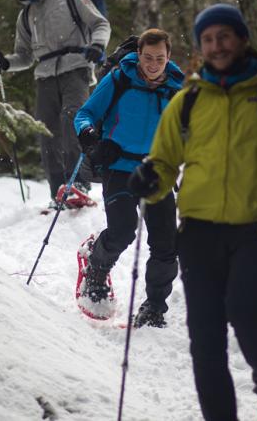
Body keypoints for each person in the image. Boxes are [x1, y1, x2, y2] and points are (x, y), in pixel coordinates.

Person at [128, 5, 257, 420]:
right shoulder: (188, 102)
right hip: (198, 233)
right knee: (205, 339)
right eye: (208, 39)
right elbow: (163, 163)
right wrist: (149, 178)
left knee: (245, 309)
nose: (217, 45)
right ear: (200, 46)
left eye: (224, 36)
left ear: (241, 39)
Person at [73, 28, 184, 326]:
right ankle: (94, 272)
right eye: (148, 57)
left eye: (159, 58)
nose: (152, 63)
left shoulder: (177, 89)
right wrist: (92, 139)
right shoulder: (120, 79)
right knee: (122, 230)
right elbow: (84, 115)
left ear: (168, 57)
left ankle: (154, 308)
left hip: (156, 170)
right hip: (118, 166)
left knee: (165, 243)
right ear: (139, 55)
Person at [0, 0, 111, 205]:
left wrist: (97, 45)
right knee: (46, 133)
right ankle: (58, 192)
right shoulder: (26, 14)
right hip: (45, 76)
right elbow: (25, 56)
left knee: (72, 122)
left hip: (75, 69)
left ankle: (79, 184)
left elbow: (100, 23)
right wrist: (6, 62)